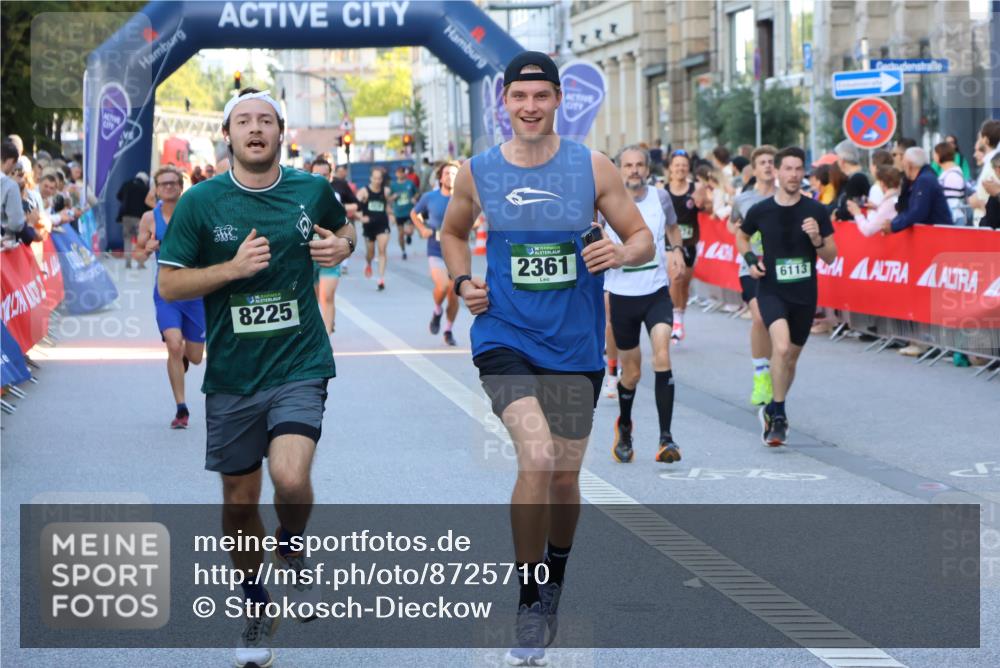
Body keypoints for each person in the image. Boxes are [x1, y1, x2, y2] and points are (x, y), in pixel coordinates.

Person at [439, 51, 653, 666]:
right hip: (504, 335)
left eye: (541, 97)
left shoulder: (592, 167)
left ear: (558, 100)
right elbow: (453, 233)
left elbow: (641, 238)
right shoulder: (477, 172)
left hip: (576, 345)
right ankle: (530, 600)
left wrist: (620, 253)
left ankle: (555, 575)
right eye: (518, 97)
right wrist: (461, 282)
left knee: (563, 477)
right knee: (534, 456)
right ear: (503, 103)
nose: (529, 107)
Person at [156, 88, 355, 668]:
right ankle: (255, 603)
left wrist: (340, 245)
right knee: (240, 503)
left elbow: (345, 235)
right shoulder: (201, 203)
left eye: (265, 120)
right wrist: (231, 270)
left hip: (299, 362)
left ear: (280, 132)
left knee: (290, 479)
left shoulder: (311, 190)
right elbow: (170, 285)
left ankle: (291, 550)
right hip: (234, 375)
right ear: (228, 134)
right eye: (243, 120)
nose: (255, 128)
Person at [736, 146, 837, 446]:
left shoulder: (816, 211)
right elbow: (741, 235)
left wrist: (817, 239)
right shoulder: (761, 210)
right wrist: (752, 261)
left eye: (798, 169)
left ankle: (772, 407)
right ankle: (778, 416)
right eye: (788, 169)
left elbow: (831, 256)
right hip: (771, 289)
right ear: (777, 172)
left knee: (790, 359)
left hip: (804, 293)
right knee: (780, 349)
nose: (793, 175)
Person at [603, 145, 685, 464]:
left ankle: (666, 439)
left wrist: (676, 249)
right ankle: (624, 426)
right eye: (628, 165)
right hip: (623, 295)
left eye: (639, 165)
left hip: (656, 292)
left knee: (662, 353)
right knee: (632, 373)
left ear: (648, 170)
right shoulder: (606, 203)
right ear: (618, 170)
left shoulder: (661, 198)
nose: (634, 170)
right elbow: (592, 236)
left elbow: (673, 228)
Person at [132, 166, 207, 428]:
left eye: (173, 183)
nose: (168, 187)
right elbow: (138, 254)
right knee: (174, 344)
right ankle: (181, 408)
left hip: (195, 291)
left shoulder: (195, 211)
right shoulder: (149, 218)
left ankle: (184, 355)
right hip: (166, 291)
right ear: (156, 188)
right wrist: (147, 247)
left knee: (196, 357)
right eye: (163, 184)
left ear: (180, 185)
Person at [727, 145, 778, 406]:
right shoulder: (744, 199)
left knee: (776, 326)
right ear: (755, 169)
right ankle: (761, 375)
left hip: (778, 268)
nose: (768, 166)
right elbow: (731, 224)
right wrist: (736, 228)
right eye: (763, 163)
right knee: (760, 317)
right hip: (751, 266)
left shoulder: (787, 197)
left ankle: (772, 370)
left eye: (772, 162)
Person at [410, 161, 461, 346]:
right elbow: (414, 214)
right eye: (447, 173)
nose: (450, 176)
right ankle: (438, 310)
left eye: (454, 173)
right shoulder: (429, 197)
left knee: (454, 294)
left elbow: (476, 218)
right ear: (440, 177)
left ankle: (448, 330)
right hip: (436, 250)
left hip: (457, 253)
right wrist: (422, 229)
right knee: (443, 286)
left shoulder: (463, 198)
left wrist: (473, 225)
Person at [665, 149, 709, 343]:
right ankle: (675, 320)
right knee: (675, 277)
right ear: (670, 168)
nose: (680, 168)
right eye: (677, 165)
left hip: (690, 242)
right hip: (669, 242)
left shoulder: (696, 187)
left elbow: (709, 208)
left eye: (684, 165)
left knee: (684, 284)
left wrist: (703, 203)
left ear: (688, 168)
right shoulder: (662, 189)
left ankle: (679, 316)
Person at [885, 147, 952, 233]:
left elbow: (918, 212)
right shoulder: (924, 177)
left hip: (938, 235)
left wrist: (893, 225)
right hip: (936, 233)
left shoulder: (924, 180)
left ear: (909, 165)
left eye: (904, 163)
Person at [309, 157, 342, 333]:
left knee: (326, 296)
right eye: (316, 175)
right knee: (313, 300)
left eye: (324, 175)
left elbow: (344, 226)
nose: (321, 179)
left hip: (329, 253)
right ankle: (321, 329)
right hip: (309, 255)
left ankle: (327, 338)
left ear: (330, 177)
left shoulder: (334, 197)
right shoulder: (301, 197)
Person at [357, 166, 391, 290]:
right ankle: (369, 263)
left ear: (382, 179)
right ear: (371, 178)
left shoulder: (386, 191)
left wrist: (391, 214)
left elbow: (386, 206)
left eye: (379, 178)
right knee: (370, 253)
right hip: (369, 226)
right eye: (375, 178)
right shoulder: (364, 192)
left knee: (382, 250)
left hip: (382, 224)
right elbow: (355, 208)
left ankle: (381, 279)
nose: (377, 181)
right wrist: (361, 217)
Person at [847, 164, 902, 237]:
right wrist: (877, 208)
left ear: (882, 183)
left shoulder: (889, 201)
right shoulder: (896, 197)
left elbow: (868, 230)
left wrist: (857, 213)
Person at [116, 171, 151, 269]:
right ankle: (140, 263)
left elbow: (118, 196)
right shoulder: (145, 188)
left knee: (127, 239)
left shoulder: (126, 184)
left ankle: (128, 262)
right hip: (139, 218)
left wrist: (126, 201)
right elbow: (148, 204)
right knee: (141, 240)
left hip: (126, 216)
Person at [832, 140, 870, 222]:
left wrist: (837, 214)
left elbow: (851, 207)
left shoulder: (856, 178)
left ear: (842, 161)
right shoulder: (860, 176)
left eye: (838, 159)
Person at [935, 141, 970, 225]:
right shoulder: (950, 173)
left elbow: (952, 202)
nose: (934, 157)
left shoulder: (952, 175)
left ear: (940, 154)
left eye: (935, 154)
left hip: (953, 220)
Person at [390, 165, 418, 259]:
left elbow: (417, 193)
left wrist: (414, 198)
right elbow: (388, 198)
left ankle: (409, 235)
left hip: (409, 211)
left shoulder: (410, 183)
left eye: (402, 172)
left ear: (404, 173)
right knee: (401, 234)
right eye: (398, 172)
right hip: (399, 212)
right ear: (396, 174)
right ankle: (403, 251)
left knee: (410, 230)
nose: (400, 174)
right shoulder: (393, 185)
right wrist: (393, 197)